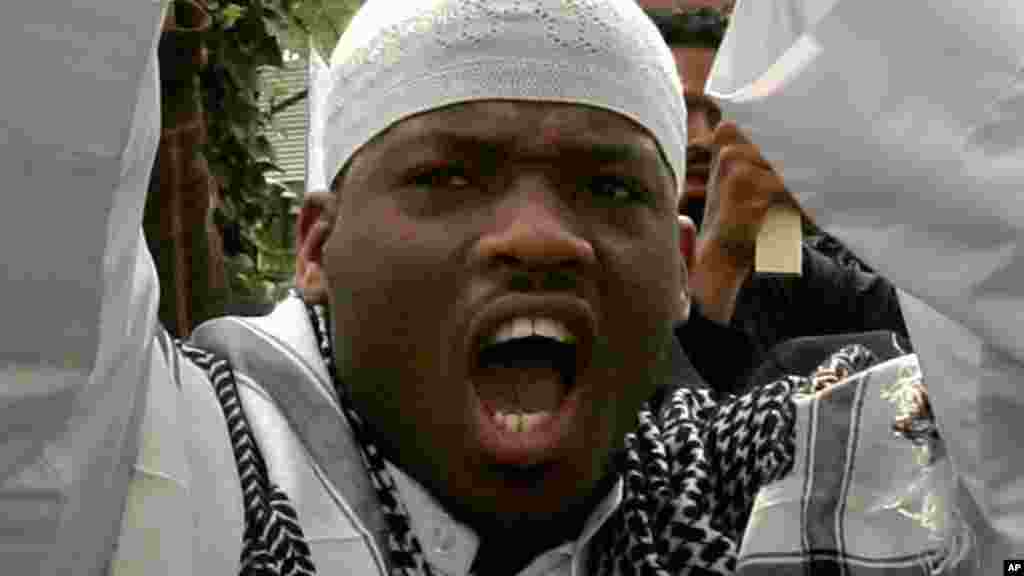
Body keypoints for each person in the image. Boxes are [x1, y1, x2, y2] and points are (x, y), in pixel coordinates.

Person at [0, 1, 990, 575]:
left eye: (608, 187)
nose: (536, 238)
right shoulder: (156, 474)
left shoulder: (738, 483)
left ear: (674, 265)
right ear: (316, 247)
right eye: (445, 177)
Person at [643, 5, 913, 395]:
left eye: (721, 114)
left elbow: (937, 330)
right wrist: (721, 258)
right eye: (678, 110)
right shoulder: (608, 265)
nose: (700, 139)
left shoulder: (786, 266)